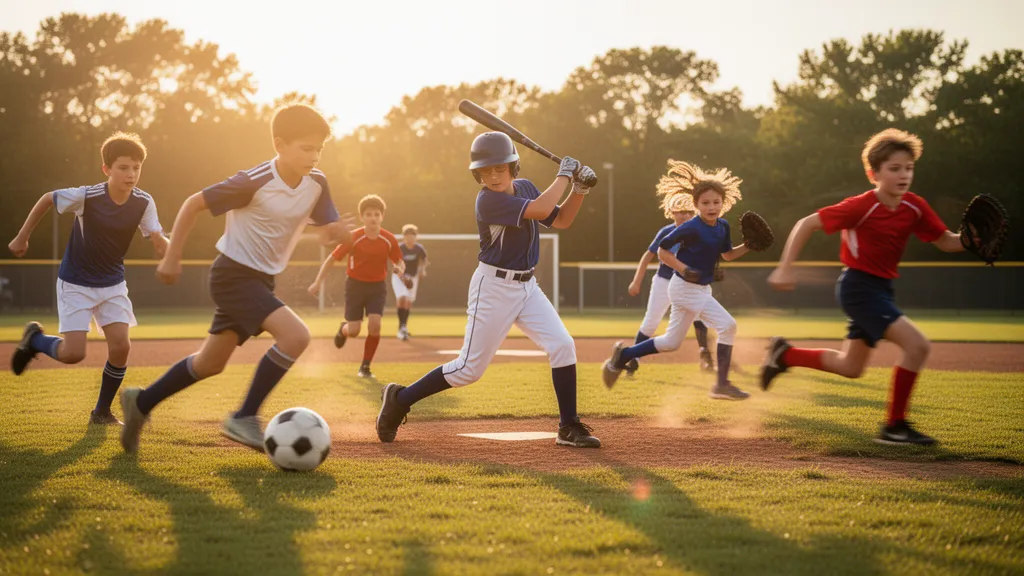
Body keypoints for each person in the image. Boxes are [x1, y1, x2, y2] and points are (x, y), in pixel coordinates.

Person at [118, 104, 353, 453]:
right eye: (306, 148)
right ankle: (243, 416)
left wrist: (336, 231)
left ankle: (141, 402)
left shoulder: (316, 183)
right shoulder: (254, 181)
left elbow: (325, 224)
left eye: (320, 148)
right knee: (296, 337)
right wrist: (171, 257)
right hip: (233, 276)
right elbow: (193, 204)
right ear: (279, 144)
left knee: (209, 363)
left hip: (262, 281)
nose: (315, 155)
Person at [374, 131, 602, 447]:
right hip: (493, 288)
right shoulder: (489, 200)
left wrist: (578, 189)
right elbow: (538, 209)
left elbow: (561, 220)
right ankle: (400, 399)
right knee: (468, 370)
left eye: (500, 168)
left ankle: (568, 426)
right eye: (485, 171)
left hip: (527, 287)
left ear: (513, 167)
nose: (493, 176)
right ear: (478, 175)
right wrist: (565, 174)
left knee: (563, 344)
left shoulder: (526, 188)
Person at [762, 128, 969, 446]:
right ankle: (894, 426)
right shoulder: (862, 206)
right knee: (918, 346)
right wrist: (785, 267)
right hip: (859, 288)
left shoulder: (914, 206)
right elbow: (807, 223)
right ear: (873, 173)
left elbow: (946, 241)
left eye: (909, 168)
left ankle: (785, 355)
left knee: (850, 367)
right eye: (894, 168)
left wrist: (972, 240)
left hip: (881, 289)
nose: (904, 175)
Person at [8, 132, 167, 425]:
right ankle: (36, 340)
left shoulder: (144, 202)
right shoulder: (87, 196)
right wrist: (22, 236)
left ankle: (101, 412)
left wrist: (166, 246)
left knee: (121, 347)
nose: (131, 174)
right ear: (106, 169)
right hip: (76, 283)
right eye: (123, 167)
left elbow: (156, 235)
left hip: (113, 283)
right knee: (72, 354)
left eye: (136, 167)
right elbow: (47, 199)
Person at [308, 194, 404, 379]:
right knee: (354, 331)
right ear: (362, 217)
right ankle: (343, 329)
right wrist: (318, 281)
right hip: (355, 287)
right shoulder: (353, 237)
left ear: (382, 217)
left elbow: (398, 261)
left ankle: (365, 366)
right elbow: (331, 259)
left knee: (375, 325)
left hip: (377, 287)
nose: (373, 218)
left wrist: (400, 269)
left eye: (377, 214)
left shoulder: (388, 239)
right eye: (368, 214)